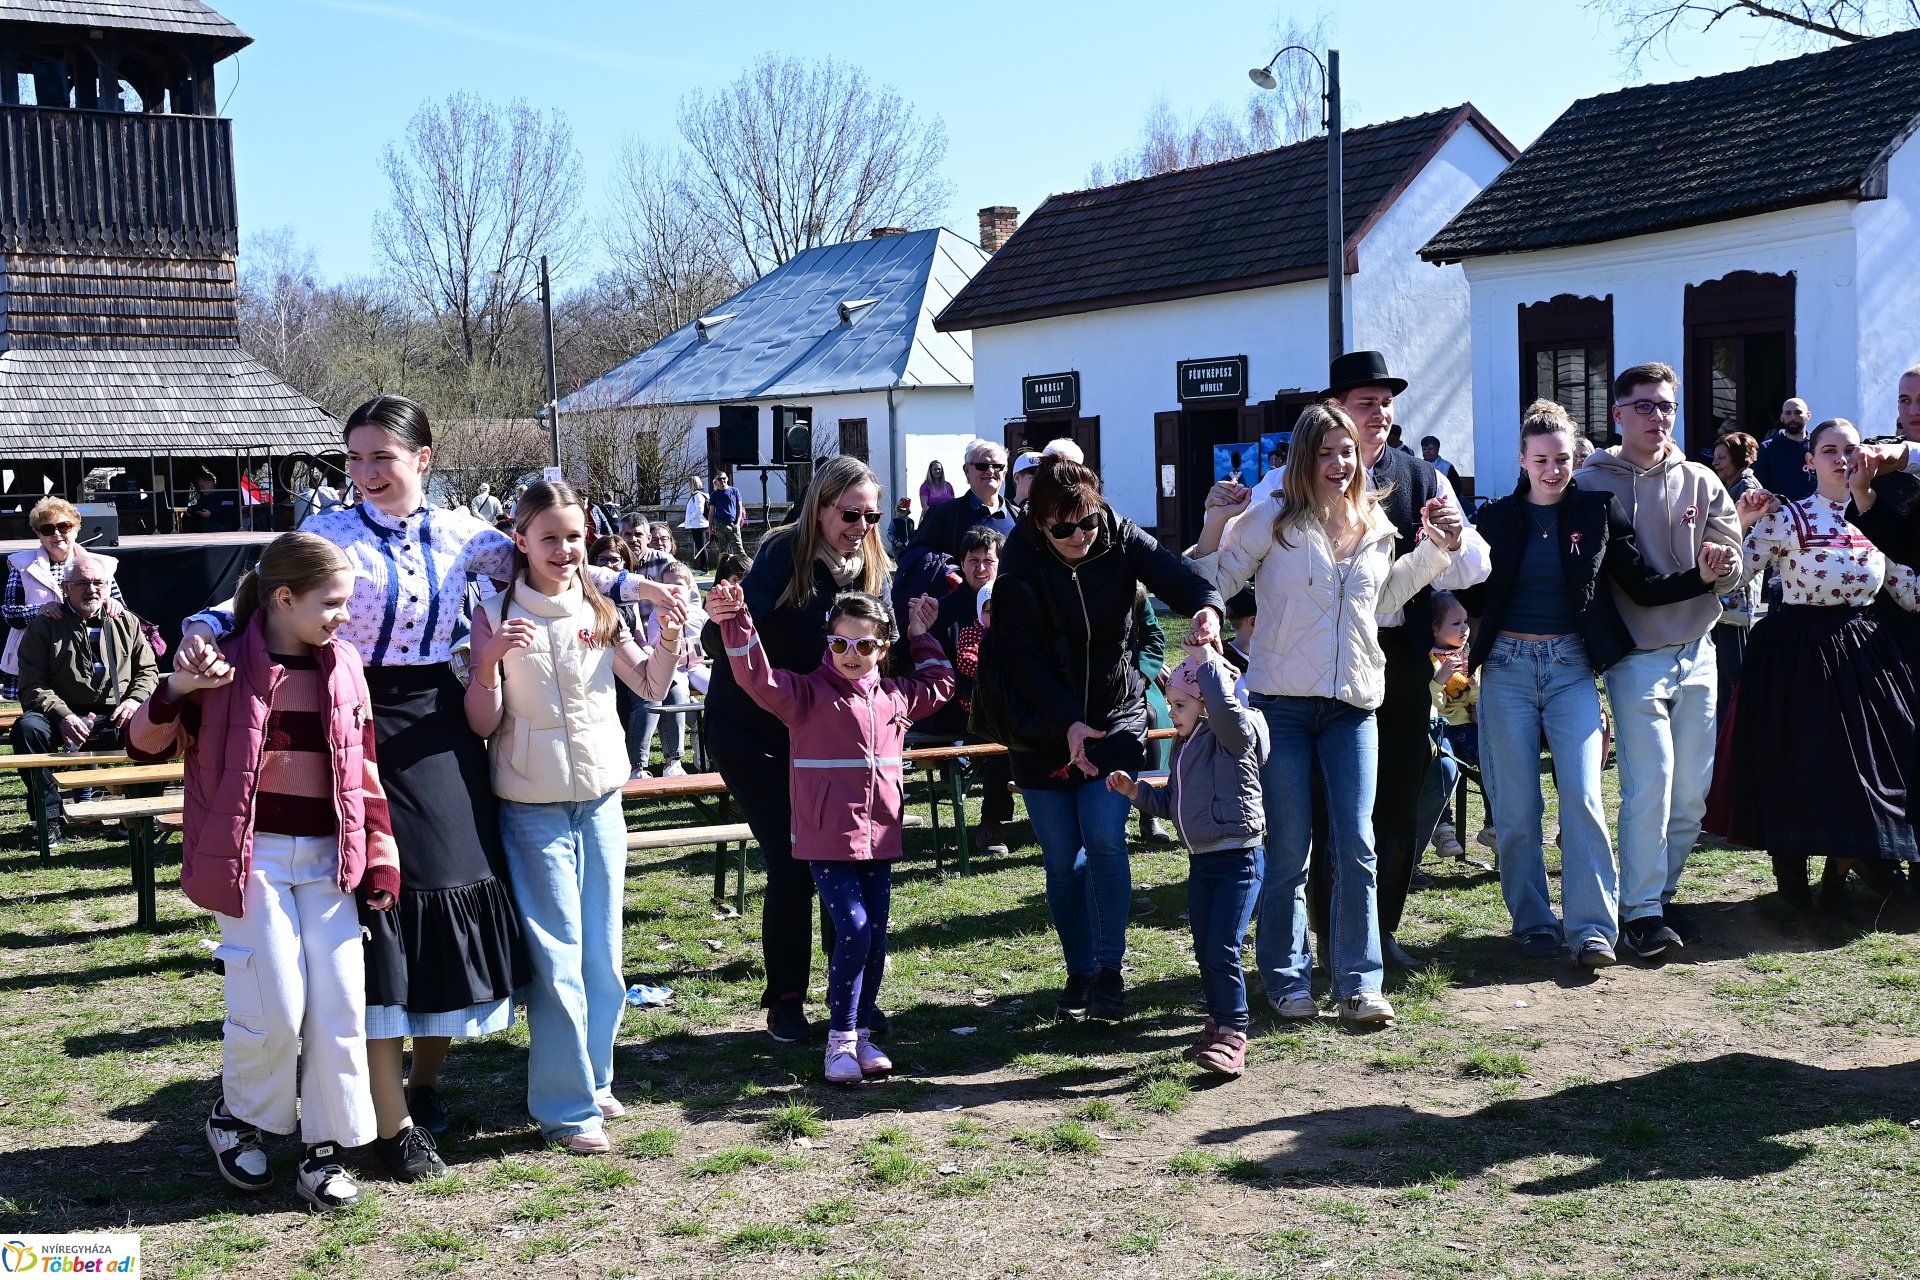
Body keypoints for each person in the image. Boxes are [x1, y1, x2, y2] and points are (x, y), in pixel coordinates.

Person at [175, 394, 675, 1182]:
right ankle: (383, 1113)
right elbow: (246, 598)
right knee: (378, 912)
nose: (367, 472)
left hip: (439, 723)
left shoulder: (463, 535)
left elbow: (549, 557)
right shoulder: (324, 536)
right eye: (356, 457)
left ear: (424, 460)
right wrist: (199, 634)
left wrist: (637, 585)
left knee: (449, 897)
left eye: (383, 456)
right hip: (349, 712)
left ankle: (421, 1082)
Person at [126, 532, 396, 1211]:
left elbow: (364, 771)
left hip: (331, 865)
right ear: (284, 598)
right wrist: (179, 685)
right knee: (272, 1002)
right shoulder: (218, 665)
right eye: (332, 603)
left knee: (338, 1004)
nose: (345, 616)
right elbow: (140, 742)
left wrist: (381, 861)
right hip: (252, 859)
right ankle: (237, 1120)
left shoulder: (346, 666)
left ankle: (324, 1150)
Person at [1192, 403, 1466, 1026]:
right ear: (1302, 458)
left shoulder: (1376, 521)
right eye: (1326, 453)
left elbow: (1386, 602)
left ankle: (1359, 984)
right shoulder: (1274, 520)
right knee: (1289, 849)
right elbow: (1211, 581)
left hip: (1354, 706)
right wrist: (1214, 524)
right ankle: (1287, 981)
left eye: (1346, 452)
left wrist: (1436, 551)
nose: (1340, 464)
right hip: (1281, 706)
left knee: (1358, 847)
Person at [1459, 402, 1734, 966]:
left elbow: (1642, 584)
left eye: (1562, 459)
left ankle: (1591, 929)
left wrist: (1702, 579)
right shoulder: (1496, 521)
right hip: (1507, 669)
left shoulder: (1597, 510)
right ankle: (1533, 921)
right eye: (1541, 460)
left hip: (1571, 669)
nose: (1553, 470)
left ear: (1575, 457)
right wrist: (1447, 553)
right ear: (1522, 460)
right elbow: (1473, 599)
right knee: (1516, 809)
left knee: (1584, 799)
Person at [465, 481, 685, 1153]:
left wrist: (670, 639)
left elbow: (648, 685)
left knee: (604, 959)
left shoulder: (600, 603)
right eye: (550, 537)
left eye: (575, 535)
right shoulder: (491, 609)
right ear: (521, 539)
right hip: (531, 810)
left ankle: (594, 1078)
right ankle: (565, 1111)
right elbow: (483, 722)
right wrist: (489, 664)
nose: (564, 549)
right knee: (557, 960)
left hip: (601, 802)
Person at [987, 454, 1224, 1024]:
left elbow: (1174, 572)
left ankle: (1110, 972)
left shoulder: (1116, 533)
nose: (1079, 535)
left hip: (1116, 713)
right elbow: (1021, 660)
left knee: (1104, 838)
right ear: (1038, 521)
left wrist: (1208, 608)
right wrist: (1066, 721)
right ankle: (1080, 971)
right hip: (1041, 723)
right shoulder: (1018, 559)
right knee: (1062, 859)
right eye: (1063, 527)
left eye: (1087, 521)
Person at [1282, 352, 1491, 969]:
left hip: (1396, 660)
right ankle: (1327, 939)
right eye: (1366, 402)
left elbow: (1477, 566)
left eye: (1386, 402)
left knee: (1397, 801)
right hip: (1321, 662)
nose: (1379, 414)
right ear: (1335, 410)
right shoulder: (1292, 478)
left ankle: (1378, 932)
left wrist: (1453, 534)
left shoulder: (1421, 476)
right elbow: (1251, 557)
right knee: (1329, 807)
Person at [710, 585, 952, 1082]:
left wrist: (922, 635)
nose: (851, 655)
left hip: (880, 839)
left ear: (882, 648)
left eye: (864, 646)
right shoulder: (806, 694)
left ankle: (861, 1035)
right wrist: (737, 621)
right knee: (856, 930)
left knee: (875, 938)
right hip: (826, 839)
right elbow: (756, 678)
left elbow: (941, 682)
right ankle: (838, 1041)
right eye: (840, 644)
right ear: (828, 644)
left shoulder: (895, 696)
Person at [701, 457, 895, 1042]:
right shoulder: (784, 555)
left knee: (848, 863)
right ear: (819, 506)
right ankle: (786, 1001)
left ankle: (852, 1000)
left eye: (871, 515)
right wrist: (721, 617)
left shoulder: (872, 569)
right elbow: (723, 639)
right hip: (752, 731)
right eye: (850, 513)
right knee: (794, 864)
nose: (860, 525)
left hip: (825, 738)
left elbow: (878, 649)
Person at [1577, 362, 1754, 958]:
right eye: (1646, 406)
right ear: (1618, 412)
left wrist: (1726, 567)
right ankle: (1640, 910)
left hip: (1697, 649)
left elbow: (1734, 554)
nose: (1659, 417)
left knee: (1691, 794)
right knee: (1648, 786)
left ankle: (1661, 894)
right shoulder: (1590, 482)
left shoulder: (1702, 479)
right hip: (1634, 657)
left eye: (1667, 407)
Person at [1716, 419, 1920, 910]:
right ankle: (1793, 876)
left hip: (1865, 649)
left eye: (1851, 449)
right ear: (1809, 461)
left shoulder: (1877, 516)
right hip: (1800, 653)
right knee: (1803, 760)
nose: (1842, 458)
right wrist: (1740, 522)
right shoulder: (1787, 516)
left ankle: (1852, 865)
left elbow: (1909, 594)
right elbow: (1735, 574)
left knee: (1877, 760)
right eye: (1829, 450)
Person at [1107, 646, 1267, 1076]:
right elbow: (1172, 802)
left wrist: (1206, 659)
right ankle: (1216, 1022)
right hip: (1202, 863)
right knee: (1205, 948)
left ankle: (1235, 1033)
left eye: (1180, 704)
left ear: (1208, 704)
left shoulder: (1234, 735)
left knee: (1223, 947)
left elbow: (1226, 707)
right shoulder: (1183, 747)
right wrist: (1135, 792)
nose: (1171, 712)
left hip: (1239, 859)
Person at [11, 551, 154, 847]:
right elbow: (32, 685)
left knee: (162, 726)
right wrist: (63, 715)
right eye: (82, 583)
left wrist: (135, 701)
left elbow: (148, 671)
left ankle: (138, 814)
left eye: (99, 583)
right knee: (27, 729)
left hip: (116, 714)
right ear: (65, 588)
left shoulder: (125, 621)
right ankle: (49, 819)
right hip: (60, 715)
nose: (91, 589)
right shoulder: (45, 625)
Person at [925, 525, 1015, 854]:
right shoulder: (945, 610)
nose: (980, 568)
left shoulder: (1013, 603)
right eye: (972, 560)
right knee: (998, 736)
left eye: (988, 561)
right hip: (958, 708)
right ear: (960, 564)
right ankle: (991, 824)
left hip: (1008, 703)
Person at [3, 497, 126, 701]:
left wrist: (114, 605)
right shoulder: (21, 564)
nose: (57, 534)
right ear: (39, 534)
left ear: (76, 529)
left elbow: (122, 610)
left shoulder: (101, 565)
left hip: (86, 660)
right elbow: (9, 614)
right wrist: (40, 610)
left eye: (64, 526)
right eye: (48, 529)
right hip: (37, 660)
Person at [632, 561, 707, 777]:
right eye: (667, 586)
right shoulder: (658, 614)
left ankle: (707, 746)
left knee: (716, 688)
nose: (674, 591)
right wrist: (670, 631)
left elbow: (706, 641)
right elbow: (655, 643)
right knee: (680, 694)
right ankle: (675, 760)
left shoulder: (698, 613)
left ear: (690, 586)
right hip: (675, 669)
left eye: (679, 585)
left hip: (695, 666)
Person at [1710, 431, 1762, 712]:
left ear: (1739, 458)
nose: (1716, 463)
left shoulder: (1747, 488)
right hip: (1725, 588)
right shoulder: (1729, 485)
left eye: (1722, 457)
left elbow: (1746, 537)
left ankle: (1741, 727)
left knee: (1735, 667)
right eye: (1715, 457)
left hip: (1738, 589)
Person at [1426, 593, 1478, 859]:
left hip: (1466, 727)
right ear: (1435, 627)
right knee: (1443, 766)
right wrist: (1439, 680)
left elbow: (1473, 701)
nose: (1465, 629)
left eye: (1466, 622)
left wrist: (1474, 685)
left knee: (1493, 760)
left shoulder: (1465, 656)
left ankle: (1493, 826)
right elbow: (1432, 704)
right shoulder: (1432, 660)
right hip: (1440, 728)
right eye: (1456, 624)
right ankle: (1443, 828)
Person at [909, 439, 1018, 562]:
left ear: (1005, 472)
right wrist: (948, 573)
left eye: (998, 466)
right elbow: (913, 556)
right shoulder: (943, 515)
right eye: (982, 466)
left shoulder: (1019, 517)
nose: (990, 471)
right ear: (967, 471)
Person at [1753, 397, 1815, 501]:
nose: (1793, 417)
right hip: (1780, 512)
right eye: (1788, 413)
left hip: (1814, 512)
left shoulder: (1818, 447)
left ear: (1808, 415)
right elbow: (1758, 487)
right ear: (1782, 417)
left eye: (1798, 412)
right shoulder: (1767, 449)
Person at [185, 469, 240, 534]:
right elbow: (198, 508)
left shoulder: (225, 495)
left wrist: (211, 515)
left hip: (224, 532)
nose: (201, 490)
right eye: (200, 488)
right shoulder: (204, 497)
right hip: (207, 531)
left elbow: (228, 515)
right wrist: (192, 510)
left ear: (210, 483)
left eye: (203, 487)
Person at [710, 471, 746, 562]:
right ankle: (723, 571)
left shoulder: (734, 491)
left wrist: (737, 523)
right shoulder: (714, 495)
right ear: (716, 481)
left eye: (724, 478)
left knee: (739, 550)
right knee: (722, 552)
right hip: (720, 524)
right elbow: (711, 512)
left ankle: (745, 570)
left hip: (733, 523)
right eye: (719, 479)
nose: (722, 481)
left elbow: (739, 507)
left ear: (727, 479)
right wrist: (710, 528)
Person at [683, 476, 711, 568]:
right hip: (697, 524)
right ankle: (703, 567)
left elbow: (699, 510)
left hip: (698, 524)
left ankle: (704, 568)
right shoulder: (697, 495)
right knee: (700, 546)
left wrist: (690, 518)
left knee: (701, 547)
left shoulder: (698, 495)